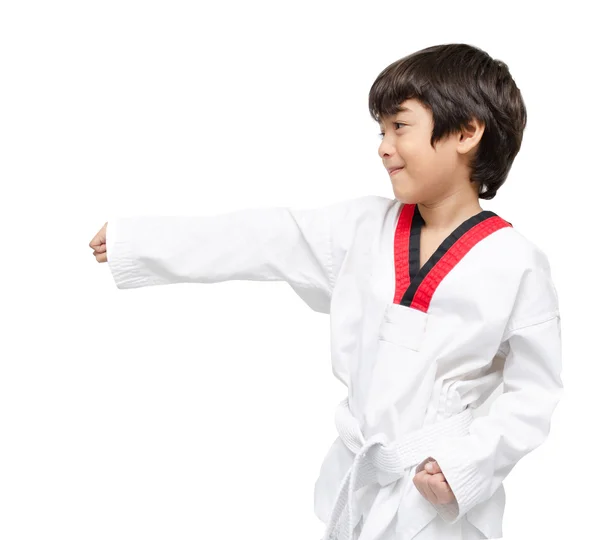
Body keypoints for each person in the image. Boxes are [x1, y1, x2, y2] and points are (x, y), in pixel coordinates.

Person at [89, 43, 563, 540]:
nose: (383, 146)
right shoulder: (360, 228)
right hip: (361, 484)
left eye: (400, 126)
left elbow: (533, 392)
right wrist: (139, 243)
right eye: (381, 130)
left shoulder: (516, 262)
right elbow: (264, 236)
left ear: (467, 131)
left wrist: (465, 469)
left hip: (436, 499)